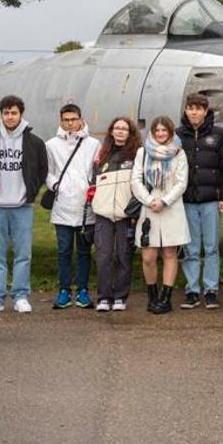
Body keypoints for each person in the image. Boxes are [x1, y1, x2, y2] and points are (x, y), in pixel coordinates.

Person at [0, 95, 48, 314]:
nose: (10, 117)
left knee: (23, 254)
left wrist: (30, 192)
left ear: (21, 114)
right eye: (6, 113)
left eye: (14, 112)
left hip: (22, 207)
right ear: (1, 115)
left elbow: (42, 170)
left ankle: (21, 295)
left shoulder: (34, 143)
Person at [176, 93, 223, 310]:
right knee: (191, 248)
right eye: (191, 108)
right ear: (186, 110)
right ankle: (192, 290)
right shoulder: (178, 136)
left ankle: (211, 290)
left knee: (211, 247)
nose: (194, 112)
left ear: (205, 111)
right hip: (186, 200)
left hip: (211, 200)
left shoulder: (219, 135)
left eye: (199, 108)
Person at [131, 116, 190, 315]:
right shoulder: (143, 152)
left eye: (165, 130)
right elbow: (135, 180)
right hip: (149, 205)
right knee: (148, 255)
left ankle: (166, 297)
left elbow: (182, 182)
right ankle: (152, 295)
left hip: (171, 206)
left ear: (170, 132)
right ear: (153, 132)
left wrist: (165, 201)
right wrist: (149, 200)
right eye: (157, 130)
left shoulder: (179, 154)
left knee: (169, 253)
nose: (161, 134)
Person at [45, 103, 100, 310]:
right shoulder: (51, 145)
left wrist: (91, 187)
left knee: (85, 250)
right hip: (63, 206)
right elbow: (48, 172)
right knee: (64, 250)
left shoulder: (93, 144)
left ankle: (83, 290)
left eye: (73, 119)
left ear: (80, 119)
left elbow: (97, 169)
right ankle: (64, 290)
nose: (70, 124)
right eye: (66, 120)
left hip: (86, 206)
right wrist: (56, 185)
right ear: (61, 121)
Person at [89, 117, 142, 312]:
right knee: (103, 256)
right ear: (111, 131)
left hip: (125, 215)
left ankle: (120, 296)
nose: (120, 132)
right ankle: (103, 297)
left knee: (123, 256)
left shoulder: (136, 156)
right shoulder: (102, 155)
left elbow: (140, 184)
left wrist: (133, 210)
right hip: (103, 214)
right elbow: (93, 182)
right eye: (117, 128)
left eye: (124, 129)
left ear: (130, 133)